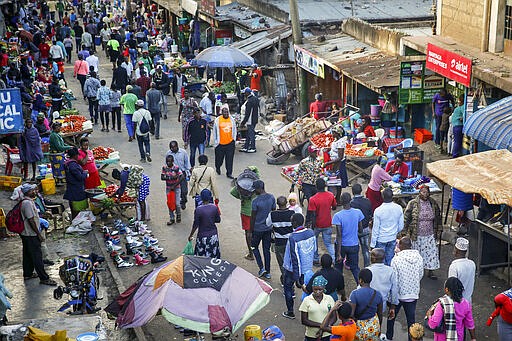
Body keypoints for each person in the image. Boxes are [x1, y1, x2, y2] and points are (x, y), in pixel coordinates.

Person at [19, 183, 57, 286]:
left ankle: (28, 273)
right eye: (32, 190)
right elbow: (31, 220)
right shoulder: (27, 203)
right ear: (28, 192)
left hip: (26, 233)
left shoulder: (27, 202)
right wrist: (38, 234)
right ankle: (44, 278)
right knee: (37, 256)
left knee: (27, 254)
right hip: (30, 234)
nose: (35, 192)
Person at [386, 237, 424, 341]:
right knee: (411, 321)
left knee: (391, 317)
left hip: (398, 295)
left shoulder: (396, 260)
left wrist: (392, 301)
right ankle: (412, 339)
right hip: (413, 294)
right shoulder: (419, 258)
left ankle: (389, 337)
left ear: (401, 246)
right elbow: (420, 274)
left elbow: (394, 281)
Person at [282, 213, 316, 319]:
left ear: (295, 223)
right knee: (309, 289)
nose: (291, 223)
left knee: (288, 288)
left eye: (292, 221)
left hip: (293, 269)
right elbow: (314, 250)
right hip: (308, 267)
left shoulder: (293, 237)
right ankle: (312, 311)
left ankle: (290, 311)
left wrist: (297, 278)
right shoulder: (311, 232)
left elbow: (295, 258)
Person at [404, 185, 441, 279]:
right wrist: (404, 232)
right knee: (417, 254)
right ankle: (415, 271)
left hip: (430, 233)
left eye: (427, 192)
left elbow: (438, 217)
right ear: (419, 192)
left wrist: (439, 230)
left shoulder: (433, 203)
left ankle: (430, 271)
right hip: (417, 234)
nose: (425, 194)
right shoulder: (413, 203)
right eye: (423, 192)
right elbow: (407, 218)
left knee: (431, 253)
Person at [332, 192, 364, 284]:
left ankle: (339, 288)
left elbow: (339, 235)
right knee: (355, 268)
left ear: (341, 202)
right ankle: (360, 286)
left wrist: (338, 253)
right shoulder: (358, 213)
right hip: (354, 245)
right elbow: (361, 230)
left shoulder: (338, 216)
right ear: (351, 200)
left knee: (338, 268)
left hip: (342, 246)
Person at [367, 248, 399, 337]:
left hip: (368, 303)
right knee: (379, 320)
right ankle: (377, 334)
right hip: (383, 303)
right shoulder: (390, 271)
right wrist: (393, 306)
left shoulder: (368, 270)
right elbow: (394, 290)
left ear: (373, 259)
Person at [230, 166, 260, 260]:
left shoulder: (241, 188)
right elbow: (257, 172)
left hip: (245, 212)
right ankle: (256, 249)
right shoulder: (256, 184)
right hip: (256, 212)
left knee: (248, 232)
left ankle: (251, 253)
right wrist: (253, 169)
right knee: (255, 231)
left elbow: (232, 192)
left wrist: (241, 197)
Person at [371, 188, 404, 266]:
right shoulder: (398, 208)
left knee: (380, 262)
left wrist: (372, 244)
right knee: (390, 260)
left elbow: (375, 229)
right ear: (393, 196)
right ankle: (390, 275)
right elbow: (401, 226)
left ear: (382, 197)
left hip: (381, 239)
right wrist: (394, 232)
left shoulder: (378, 210)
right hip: (392, 238)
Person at [250, 180, 276, 279]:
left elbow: (253, 217)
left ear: (259, 189)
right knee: (266, 250)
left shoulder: (255, 201)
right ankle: (268, 272)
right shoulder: (271, 197)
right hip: (268, 228)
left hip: (257, 229)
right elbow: (273, 211)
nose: (254, 191)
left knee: (254, 247)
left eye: (255, 189)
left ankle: (261, 267)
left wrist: (251, 230)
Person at [307, 178, 337, 263]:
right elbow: (334, 206)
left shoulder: (313, 199)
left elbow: (312, 214)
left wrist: (312, 226)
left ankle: (316, 259)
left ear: (316, 187)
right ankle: (334, 259)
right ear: (325, 186)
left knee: (314, 242)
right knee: (328, 243)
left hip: (317, 224)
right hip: (327, 223)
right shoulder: (330, 195)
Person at [349, 268, 384, 340]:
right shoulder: (377, 294)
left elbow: (351, 314)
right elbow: (380, 314)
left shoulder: (354, 294)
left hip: (360, 328)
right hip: (374, 326)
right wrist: (379, 327)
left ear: (360, 280)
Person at [266, 196, 294, 283]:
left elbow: (268, 224)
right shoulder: (292, 213)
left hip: (279, 242)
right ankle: (290, 279)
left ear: (277, 204)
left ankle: (286, 280)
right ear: (287, 203)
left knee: (282, 263)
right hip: (290, 241)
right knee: (291, 261)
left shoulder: (272, 214)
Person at [299, 275, 336, 341]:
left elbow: (334, 317)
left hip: (327, 334)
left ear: (324, 288)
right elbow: (304, 320)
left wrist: (324, 328)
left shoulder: (329, 299)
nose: (317, 292)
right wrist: (322, 326)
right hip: (311, 335)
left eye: (320, 289)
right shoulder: (307, 300)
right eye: (315, 289)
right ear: (312, 287)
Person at [188, 189, 221, 258]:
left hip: (202, 236)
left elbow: (195, 224)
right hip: (213, 236)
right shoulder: (214, 207)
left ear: (201, 198)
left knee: (201, 258)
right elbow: (218, 220)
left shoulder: (198, 209)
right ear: (210, 197)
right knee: (213, 257)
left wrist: (191, 235)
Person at [324, 125, 348, 202]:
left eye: (333, 132)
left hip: (339, 164)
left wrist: (328, 163)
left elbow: (340, 157)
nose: (332, 134)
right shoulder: (336, 140)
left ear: (338, 133)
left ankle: (337, 199)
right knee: (334, 181)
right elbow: (334, 149)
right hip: (334, 163)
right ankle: (334, 198)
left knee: (338, 182)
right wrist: (328, 149)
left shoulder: (341, 142)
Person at [350, 183, 373, 267]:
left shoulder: (351, 203)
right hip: (365, 228)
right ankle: (367, 266)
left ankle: (353, 265)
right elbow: (371, 214)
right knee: (365, 249)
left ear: (352, 192)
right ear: (361, 191)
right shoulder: (367, 201)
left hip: (354, 230)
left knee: (354, 249)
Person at [213, 104, 237, 179]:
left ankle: (229, 173)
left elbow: (234, 130)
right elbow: (215, 131)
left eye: (227, 112)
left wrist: (234, 139)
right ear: (221, 113)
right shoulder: (218, 120)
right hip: (220, 144)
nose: (226, 114)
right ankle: (218, 167)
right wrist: (216, 142)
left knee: (229, 159)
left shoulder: (231, 119)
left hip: (230, 143)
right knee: (219, 159)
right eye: (224, 112)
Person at [448, 237, 475, 303]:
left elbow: (451, 287)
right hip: (468, 301)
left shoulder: (454, 266)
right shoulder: (472, 264)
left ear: (456, 251)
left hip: (457, 302)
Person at [166, 141, 191, 210]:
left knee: (184, 191)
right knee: (176, 190)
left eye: (174, 147)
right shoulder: (168, 153)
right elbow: (167, 164)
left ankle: (184, 201)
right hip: (173, 174)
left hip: (182, 173)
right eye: (171, 147)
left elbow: (187, 163)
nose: (173, 149)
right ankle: (177, 203)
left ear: (177, 146)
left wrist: (188, 173)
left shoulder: (183, 152)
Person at [64, 147, 88, 219]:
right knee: (76, 208)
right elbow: (79, 177)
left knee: (73, 207)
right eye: (78, 155)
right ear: (75, 156)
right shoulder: (73, 165)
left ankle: (75, 220)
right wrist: (86, 174)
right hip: (76, 188)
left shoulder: (68, 163)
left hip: (71, 187)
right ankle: (76, 221)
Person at [240, 88, 259, 153]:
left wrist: (243, 122)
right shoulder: (255, 99)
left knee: (251, 134)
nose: (244, 94)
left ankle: (253, 148)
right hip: (255, 119)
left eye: (245, 93)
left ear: (247, 93)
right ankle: (246, 146)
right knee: (248, 133)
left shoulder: (249, 101)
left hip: (250, 120)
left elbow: (247, 114)